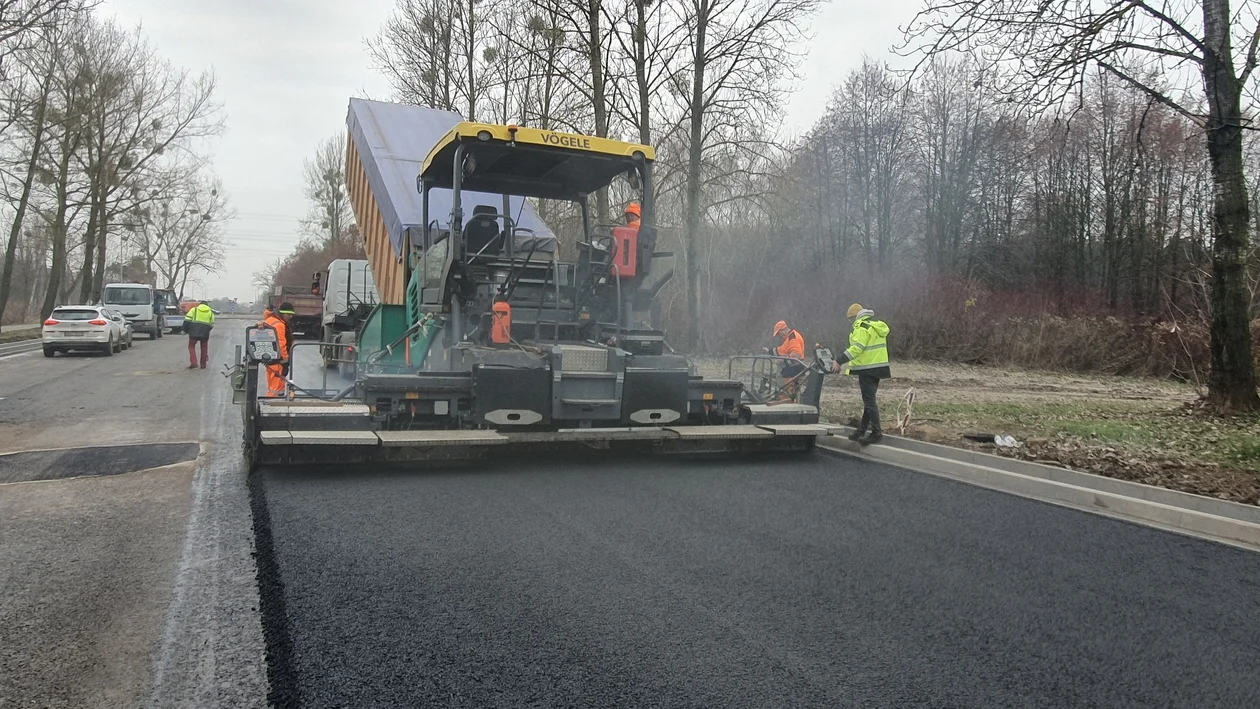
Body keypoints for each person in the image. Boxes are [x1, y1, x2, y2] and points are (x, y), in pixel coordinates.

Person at [832, 303, 891, 444]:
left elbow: (857, 348)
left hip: (867, 368)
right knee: (869, 401)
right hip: (879, 367)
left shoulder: (861, 327)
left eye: (850, 320)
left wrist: (839, 361)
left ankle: (876, 432)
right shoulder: (875, 325)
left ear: (854, 317)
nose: (850, 323)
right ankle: (861, 431)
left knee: (869, 402)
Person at [764, 320, 806, 401]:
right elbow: (781, 350)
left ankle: (787, 397)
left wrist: (783, 361)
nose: (780, 336)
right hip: (794, 366)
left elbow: (796, 355)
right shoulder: (789, 338)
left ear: (782, 330)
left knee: (781, 377)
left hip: (795, 367)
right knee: (780, 377)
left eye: (779, 334)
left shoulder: (793, 338)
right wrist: (769, 351)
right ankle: (789, 396)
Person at [260, 302, 294, 397]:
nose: (291, 317)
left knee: (273, 386)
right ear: (283, 313)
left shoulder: (270, 320)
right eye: (289, 314)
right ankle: (274, 405)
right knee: (276, 388)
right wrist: (285, 361)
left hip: (271, 358)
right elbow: (281, 343)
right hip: (278, 360)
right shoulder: (279, 325)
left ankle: (273, 401)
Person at [184, 300, 216, 369]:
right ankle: (203, 365)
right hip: (205, 332)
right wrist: (207, 330)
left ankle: (194, 363)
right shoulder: (210, 313)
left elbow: (187, 320)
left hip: (194, 331)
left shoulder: (194, 310)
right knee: (204, 348)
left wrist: (186, 330)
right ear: (207, 306)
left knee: (191, 346)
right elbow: (212, 324)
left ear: (199, 305)